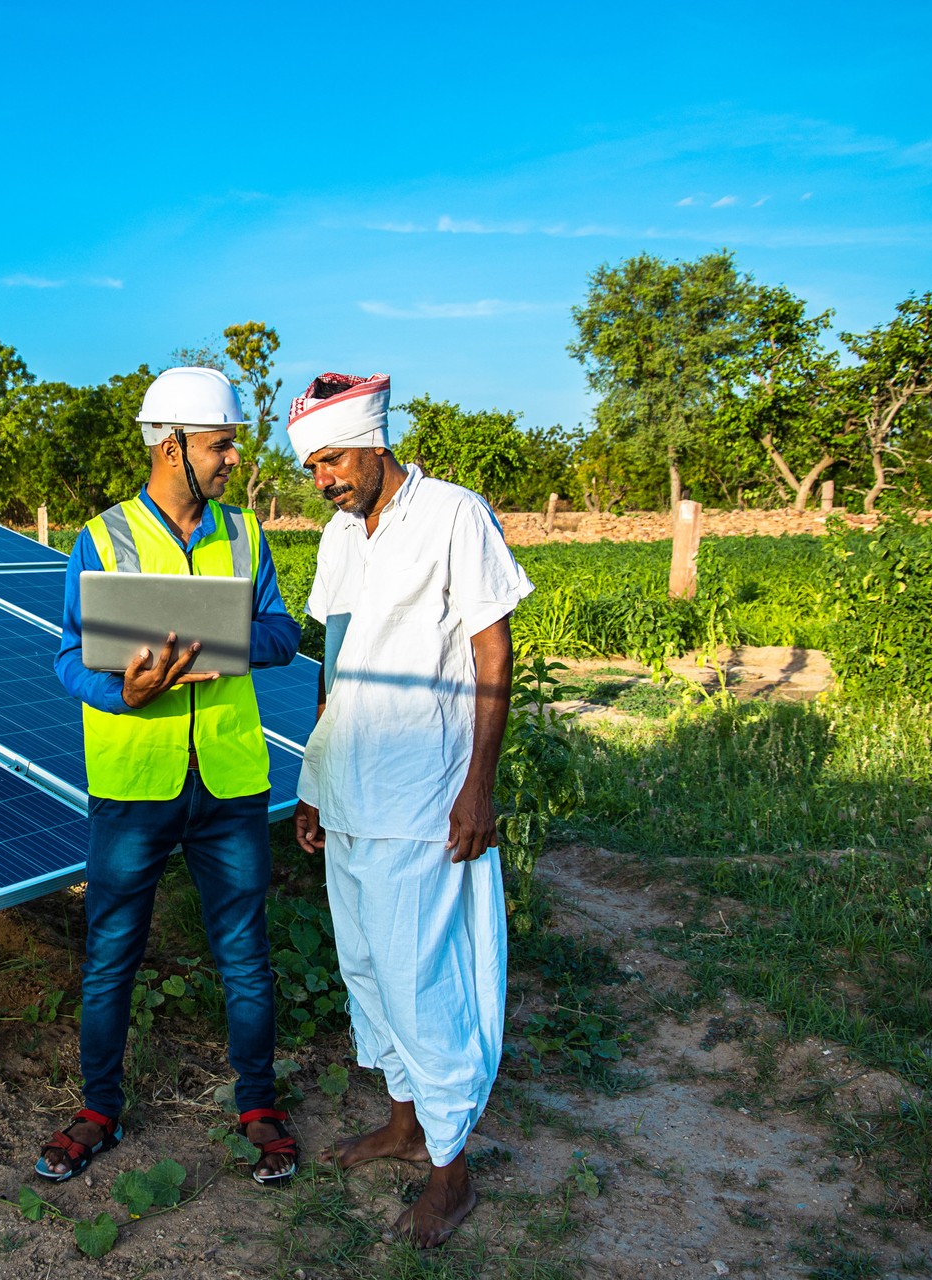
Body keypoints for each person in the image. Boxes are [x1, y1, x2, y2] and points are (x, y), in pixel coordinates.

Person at [38, 366, 302, 1186]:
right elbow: (67, 656)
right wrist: (125, 689)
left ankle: (257, 1104)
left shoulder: (246, 534)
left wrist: (222, 643)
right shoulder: (102, 535)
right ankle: (98, 1109)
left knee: (246, 955)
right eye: (221, 445)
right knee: (112, 952)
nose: (231, 459)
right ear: (174, 445)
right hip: (133, 784)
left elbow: (284, 633)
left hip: (229, 782)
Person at [287, 372, 532, 1246]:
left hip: (425, 791)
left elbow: (492, 651)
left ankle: (451, 1170)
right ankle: (402, 1123)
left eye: (335, 459)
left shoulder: (454, 516)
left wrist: (479, 783)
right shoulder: (339, 537)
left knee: (421, 978)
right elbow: (336, 667)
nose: (325, 479)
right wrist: (315, 784)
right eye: (312, 465)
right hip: (351, 787)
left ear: (376, 441)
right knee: (366, 967)